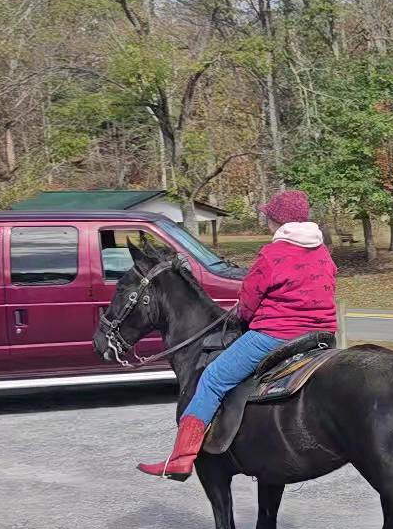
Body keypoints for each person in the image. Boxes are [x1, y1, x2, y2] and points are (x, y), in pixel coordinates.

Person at [137, 190, 337, 479]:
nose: (267, 222)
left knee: (213, 378)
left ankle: (181, 459)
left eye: (269, 217)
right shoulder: (322, 252)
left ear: (278, 221)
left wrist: (242, 315)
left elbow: (249, 301)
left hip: (276, 335)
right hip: (321, 335)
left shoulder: (272, 254)